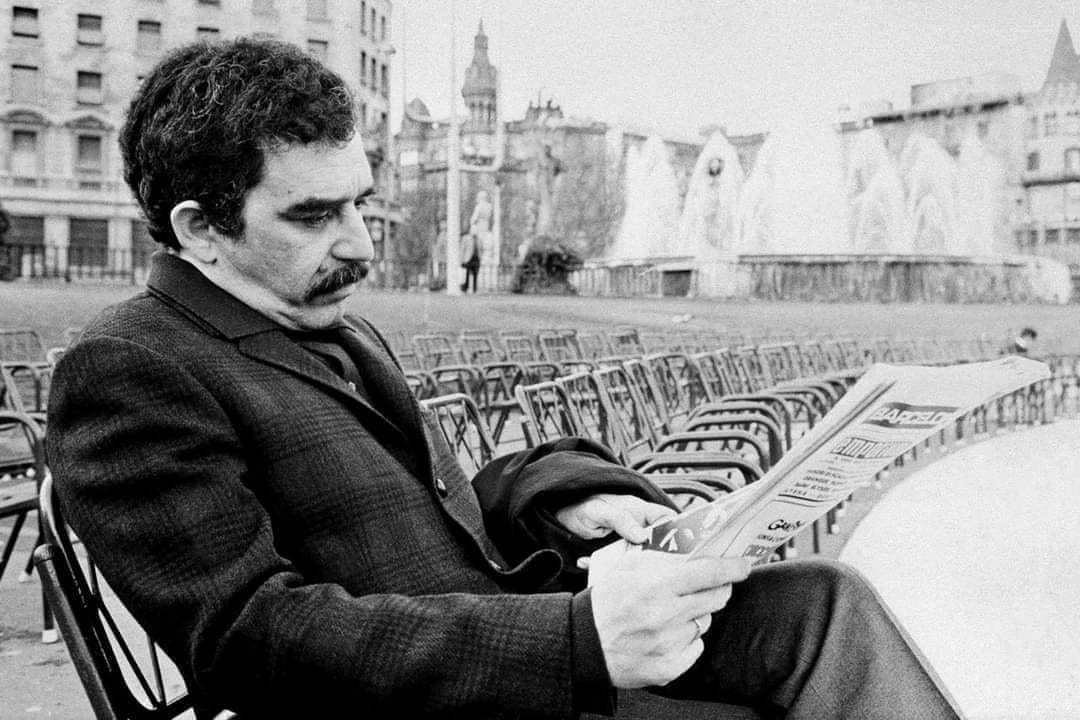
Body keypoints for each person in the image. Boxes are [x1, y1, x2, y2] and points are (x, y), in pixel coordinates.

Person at [45, 39, 963, 719]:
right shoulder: (130, 367)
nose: (361, 245)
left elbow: (434, 511)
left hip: (512, 639)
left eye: (360, 203)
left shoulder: (329, 323)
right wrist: (577, 642)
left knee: (821, 602)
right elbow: (248, 641)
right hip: (461, 692)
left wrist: (568, 500)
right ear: (201, 229)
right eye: (314, 216)